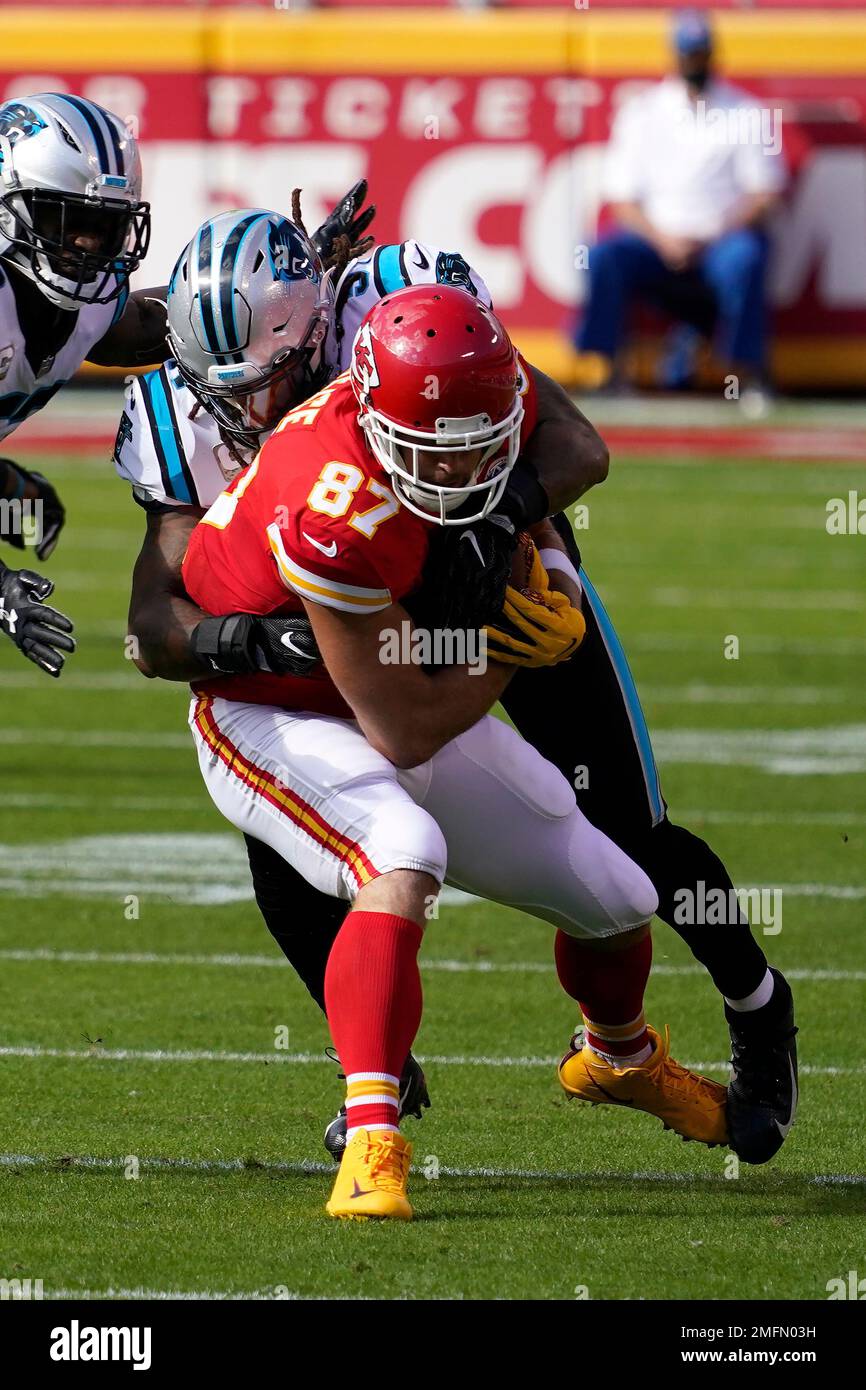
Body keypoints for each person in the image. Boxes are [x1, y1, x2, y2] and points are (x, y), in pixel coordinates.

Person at [116, 208, 798, 1169]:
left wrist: (508, 529)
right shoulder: (180, 408)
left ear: (319, 333)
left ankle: (759, 1006)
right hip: (346, 625)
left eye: (269, 378)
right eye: (220, 385)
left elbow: (573, 443)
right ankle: (376, 1081)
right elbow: (157, 616)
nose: (247, 408)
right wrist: (241, 639)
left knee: (625, 833)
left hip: (497, 579)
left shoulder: (402, 315)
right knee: (298, 858)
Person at [0, 92, 169, 675]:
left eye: (102, 225)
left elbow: (149, 328)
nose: (85, 247)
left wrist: (288, 284)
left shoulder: (87, 302)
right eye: (64, 221)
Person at [576, 10, 786, 403]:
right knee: (603, 254)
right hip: (656, 242)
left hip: (719, 241)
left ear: (713, 54)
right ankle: (605, 369)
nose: (695, 63)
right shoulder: (642, 112)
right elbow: (622, 199)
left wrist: (711, 235)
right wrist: (663, 239)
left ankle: (746, 376)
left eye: (701, 53)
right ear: (674, 56)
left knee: (747, 257)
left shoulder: (746, 112)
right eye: (688, 54)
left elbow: (765, 192)